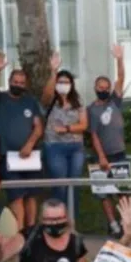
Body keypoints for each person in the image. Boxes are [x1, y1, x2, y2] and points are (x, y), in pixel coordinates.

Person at [0, 51, 44, 228]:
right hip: (7, 158)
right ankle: (18, 232)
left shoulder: (30, 101)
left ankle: (31, 231)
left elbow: (38, 127)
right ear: (9, 82)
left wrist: (30, 144)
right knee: (16, 196)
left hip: (29, 157)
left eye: (22, 83)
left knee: (32, 195)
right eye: (15, 82)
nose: (18, 85)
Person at [86, 45, 129, 237]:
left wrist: (119, 59)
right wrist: (101, 157)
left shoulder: (114, 102)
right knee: (104, 193)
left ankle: (126, 223)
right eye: (100, 88)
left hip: (119, 153)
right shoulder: (91, 110)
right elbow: (93, 134)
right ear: (95, 88)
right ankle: (112, 224)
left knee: (123, 191)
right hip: (101, 157)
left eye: (106, 88)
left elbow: (121, 78)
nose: (103, 90)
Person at [41, 52, 89, 206]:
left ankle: (72, 221)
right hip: (55, 147)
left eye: (66, 82)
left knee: (73, 185)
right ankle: (58, 218)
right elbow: (47, 94)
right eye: (60, 82)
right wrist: (53, 71)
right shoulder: (51, 101)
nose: (63, 84)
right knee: (60, 184)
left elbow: (83, 125)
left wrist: (67, 128)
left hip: (76, 147)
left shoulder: (78, 101)